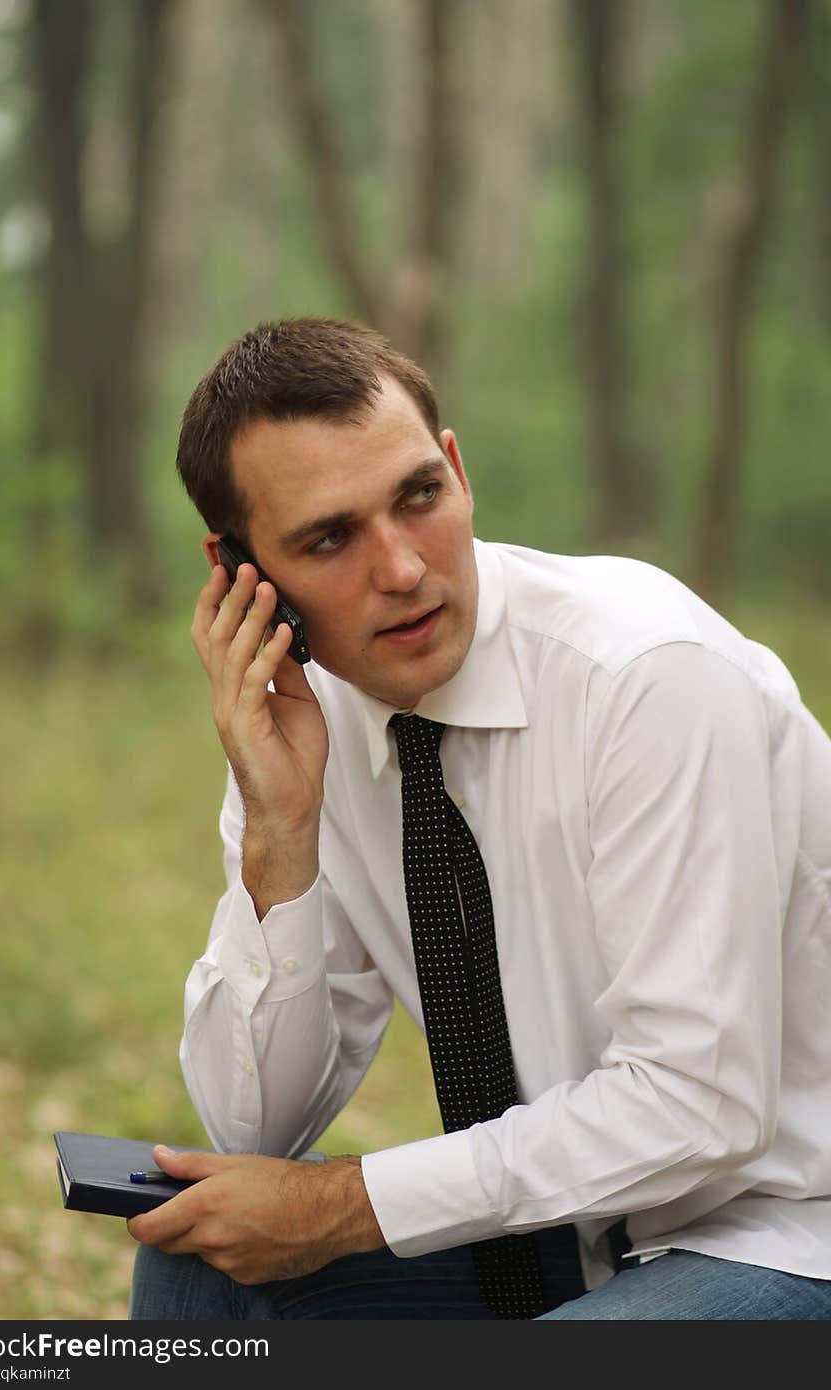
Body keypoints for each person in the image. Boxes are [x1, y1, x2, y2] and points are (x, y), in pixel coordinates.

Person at [128, 317, 831, 1320]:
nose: (404, 568)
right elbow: (256, 1126)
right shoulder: (300, 722)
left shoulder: (646, 674)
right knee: (202, 1261)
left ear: (456, 470)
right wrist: (281, 835)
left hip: (785, 1233)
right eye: (329, 537)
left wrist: (351, 1202)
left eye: (418, 497)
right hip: (566, 1237)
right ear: (244, 571)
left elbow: (700, 1102)